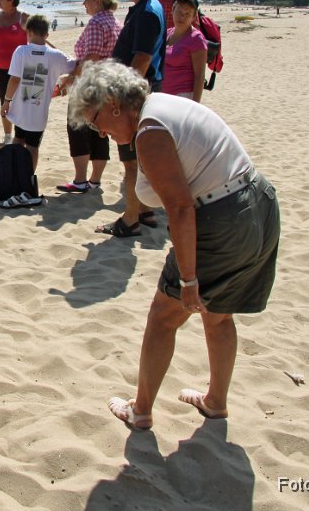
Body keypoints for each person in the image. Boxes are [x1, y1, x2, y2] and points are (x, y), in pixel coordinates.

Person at [67, 61, 279, 431]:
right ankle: (215, 401)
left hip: (224, 218)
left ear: (115, 102)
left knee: (163, 317)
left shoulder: (149, 130)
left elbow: (181, 209)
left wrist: (188, 278)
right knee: (218, 312)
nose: (98, 131)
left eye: (96, 118)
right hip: (258, 205)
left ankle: (142, 409)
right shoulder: (164, 106)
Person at [98, 0, 166, 237]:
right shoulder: (144, 8)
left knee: (131, 161)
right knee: (138, 158)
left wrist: (122, 98)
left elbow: (142, 59)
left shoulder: (148, 12)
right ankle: (143, 210)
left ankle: (130, 220)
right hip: (141, 92)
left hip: (136, 96)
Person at [56, 0, 121, 194]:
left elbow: (91, 57)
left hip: (88, 85)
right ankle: (95, 180)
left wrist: (71, 77)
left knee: (78, 129)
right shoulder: (115, 22)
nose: (84, 4)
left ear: (98, 0)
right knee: (99, 131)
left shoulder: (96, 23)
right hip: (108, 84)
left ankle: (80, 180)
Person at [1, 14, 75, 172]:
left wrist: (7, 101)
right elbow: (73, 63)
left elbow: (14, 79)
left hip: (21, 108)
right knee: (33, 146)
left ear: (28, 32)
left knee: (18, 138)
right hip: (38, 111)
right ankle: (28, 176)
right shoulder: (55, 56)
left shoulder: (21, 51)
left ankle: (14, 173)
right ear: (46, 34)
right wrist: (49, 45)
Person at [0, 0, 28, 145]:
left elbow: (36, 42)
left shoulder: (24, 18)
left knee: (20, 101)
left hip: (20, 69)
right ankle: (7, 136)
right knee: (4, 100)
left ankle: (21, 134)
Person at [162, 0, 207, 102]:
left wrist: (195, 105)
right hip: (163, 95)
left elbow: (200, 75)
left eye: (187, 14)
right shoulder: (167, 33)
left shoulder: (196, 39)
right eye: (179, 12)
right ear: (172, 11)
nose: (182, 16)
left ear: (193, 17)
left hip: (183, 97)